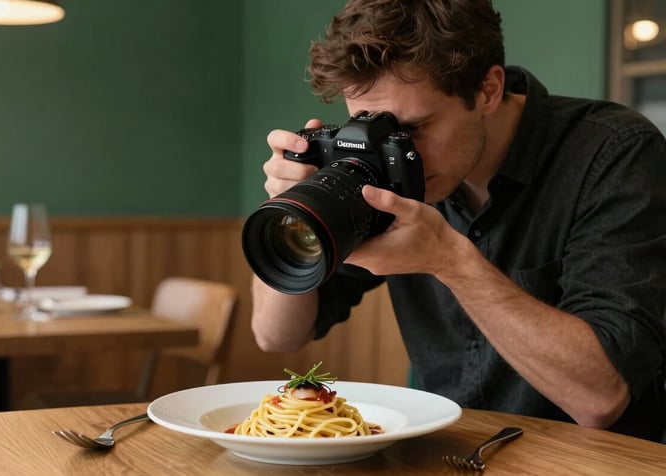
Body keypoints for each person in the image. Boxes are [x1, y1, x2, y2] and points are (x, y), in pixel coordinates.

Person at [250, 0, 666, 442]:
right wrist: (295, 210)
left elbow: (601, 398)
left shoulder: (615, 154)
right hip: (450, 451)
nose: (395, 150)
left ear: (488, 89)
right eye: (368, 124)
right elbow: (277, 335)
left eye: (412, 128)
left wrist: (450, 260)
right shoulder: (382, 169)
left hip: (592, 462)